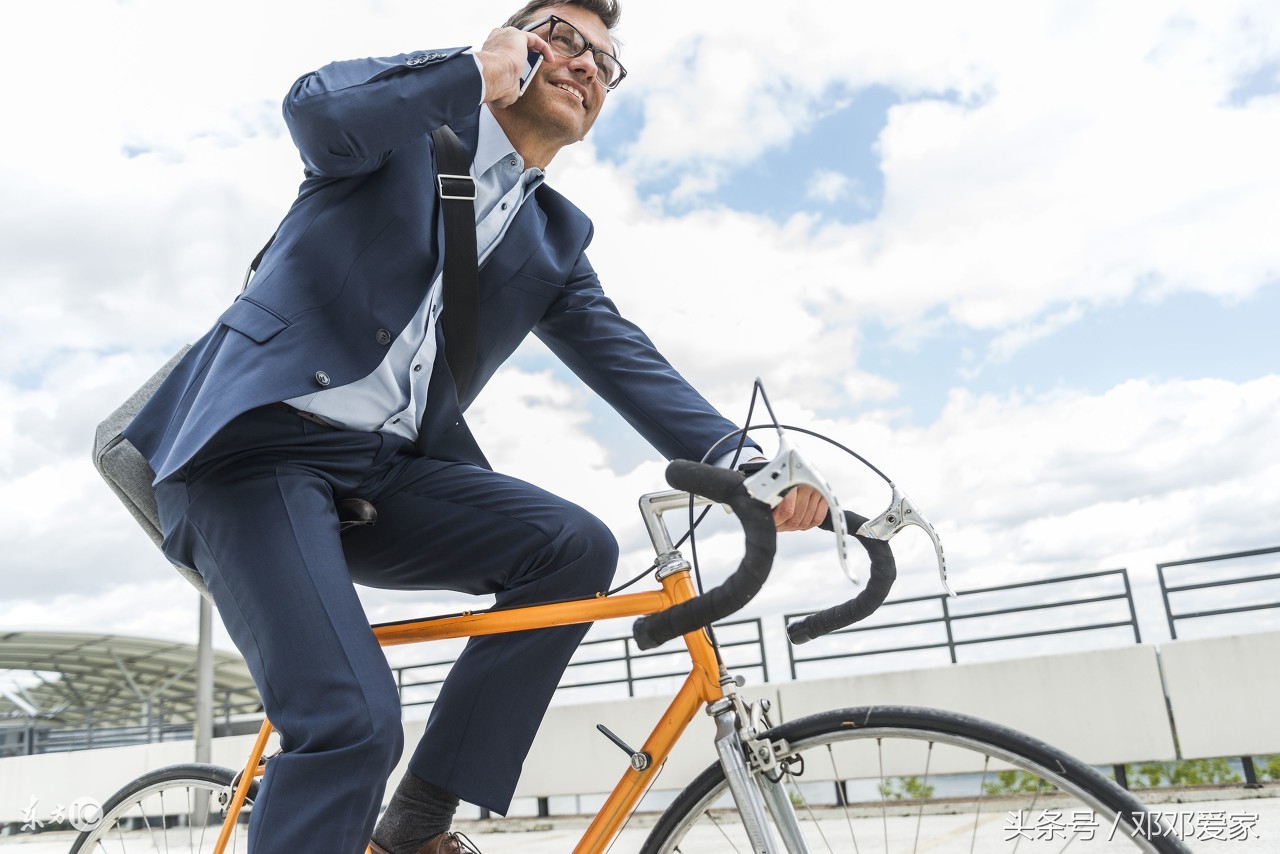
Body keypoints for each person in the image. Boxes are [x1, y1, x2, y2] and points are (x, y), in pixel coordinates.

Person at [123, 2, 828, 852]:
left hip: (377, 471)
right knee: (352, 719)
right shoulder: (402, 135)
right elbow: (317, 110)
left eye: (606, 63)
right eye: (562, 39)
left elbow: (629, 364)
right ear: (513, 45)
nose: (587, 65)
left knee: (574, 548)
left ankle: (415, 826)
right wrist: (469, 73)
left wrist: (753, 468)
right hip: (249, 453)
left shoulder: (552, 236)